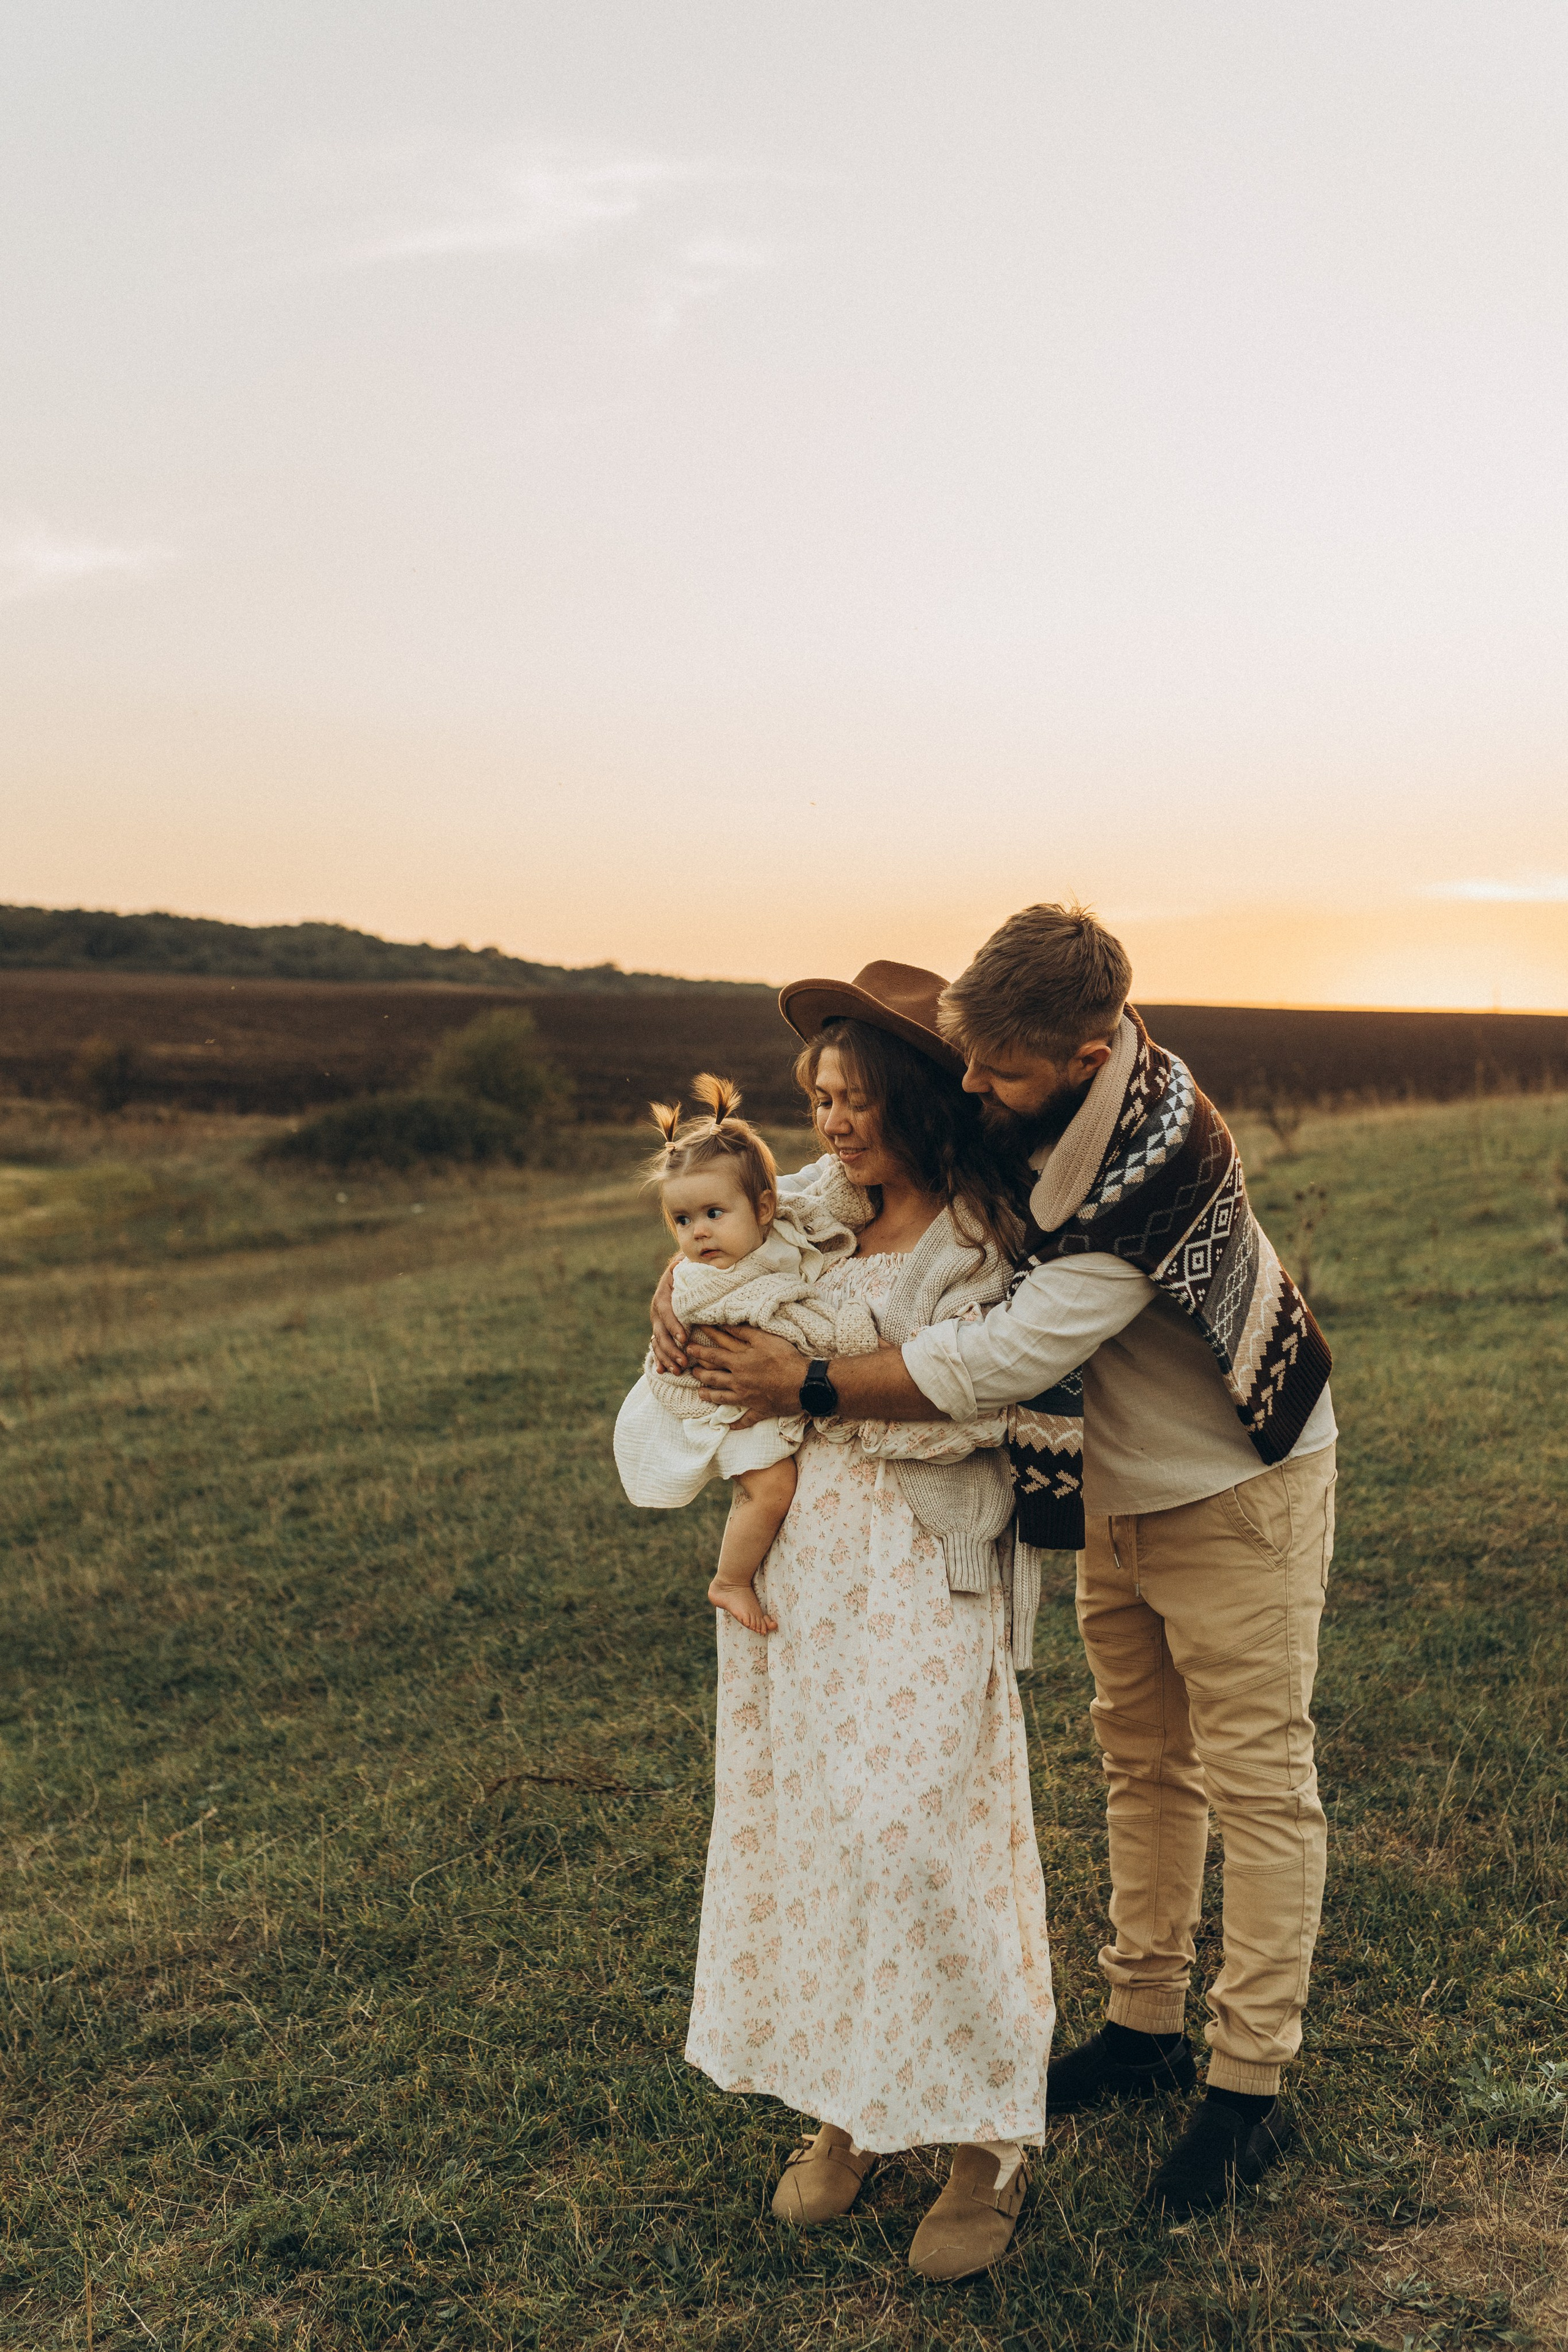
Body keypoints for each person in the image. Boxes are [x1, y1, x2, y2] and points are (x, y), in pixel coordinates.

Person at [663, 907, 1338, 2221]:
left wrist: (799, 1379)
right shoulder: (1011, 1085)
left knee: (1256, 1776)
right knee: (1138, 1757)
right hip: (1104, 1487)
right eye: (966, 1066)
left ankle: (1245, 2090)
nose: (974, 1090)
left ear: (1086, 1054)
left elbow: (995, 1364)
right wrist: (689, 1272)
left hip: (1233, 1479)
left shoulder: (1156, 1162)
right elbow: (838, 1171)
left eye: (1000, 1072)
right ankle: (1143, 2029)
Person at [667, 968, 1057, 2282]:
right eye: (817, 1100)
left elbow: (985, 1404)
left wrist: (808, 1384)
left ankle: (982, 2140)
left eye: (851, 1100)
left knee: (919, 1840)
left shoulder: (983, 1235)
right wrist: (680, 1316)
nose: (830, 1123)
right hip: (804, 1571)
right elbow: (713, 1262)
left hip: (920, 1563)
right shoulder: (816, 1213)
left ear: (910, 1099)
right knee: (821, 1832)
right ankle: (850, 2103)